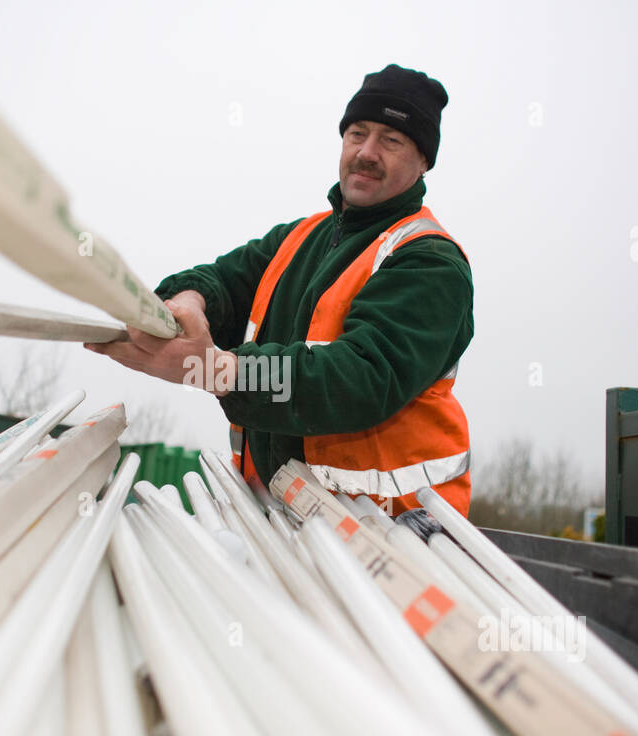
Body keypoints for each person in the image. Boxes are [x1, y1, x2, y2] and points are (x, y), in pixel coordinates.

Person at [86, 64, 474, 516]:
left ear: (424, 160)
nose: (367, 152)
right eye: (357, 133)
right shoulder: (298, 239)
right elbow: (218, 281)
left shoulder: (429, 261)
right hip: (281, 520)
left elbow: (355, 380)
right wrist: (185, 302)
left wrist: (219, 372)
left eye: (391, 140)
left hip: (397, 533)